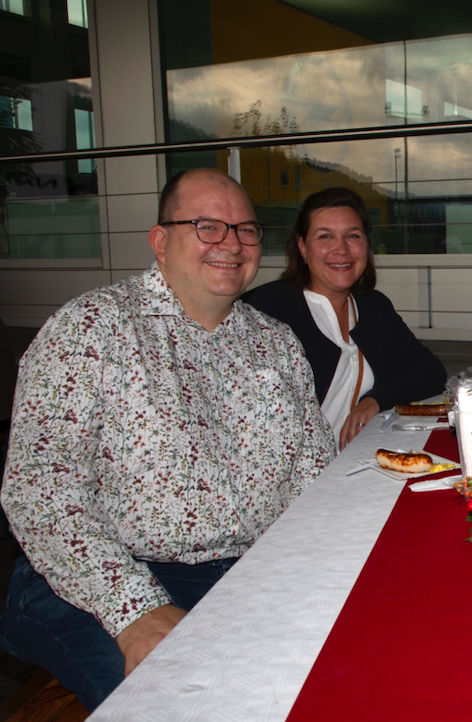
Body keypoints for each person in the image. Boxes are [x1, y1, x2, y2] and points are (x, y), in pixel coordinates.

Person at [0, 168, 337, 710]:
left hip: (244, 570)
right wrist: (134, 611)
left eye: (245, 230)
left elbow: (313, 479)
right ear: (160, 241)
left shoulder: (275, 343)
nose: (230, 243)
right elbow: (40, 492)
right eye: (207, 226)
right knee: (193, 703)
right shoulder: (90, 329)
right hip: (101, 575)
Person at [243, 187, 447, 451]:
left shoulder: (374, 307)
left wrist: (374, 400)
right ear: (303, 247)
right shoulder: (267, 309)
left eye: (352, 235)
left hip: (357, 462)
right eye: (325, 236)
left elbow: (430, 371)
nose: (341, 249)